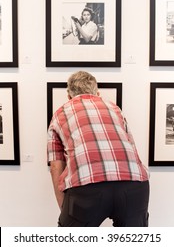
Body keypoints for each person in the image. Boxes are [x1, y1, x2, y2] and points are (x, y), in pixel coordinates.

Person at [47, 71, 149, 227]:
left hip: (87, 188)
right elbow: (132, 148)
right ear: (97, 93)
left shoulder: (60, 114)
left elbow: (56, 165)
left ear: (69, 96)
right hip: (134, 185)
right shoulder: (114, 108)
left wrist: (64, 210)